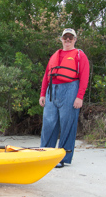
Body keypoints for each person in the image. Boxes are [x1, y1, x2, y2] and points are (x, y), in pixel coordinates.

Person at [39, 28, 90, 168]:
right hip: (52, 91)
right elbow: (46, 75)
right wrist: (43, 94)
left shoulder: (80, 55)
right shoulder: (55, 55)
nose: (68, 40)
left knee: (68, 123)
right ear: (61, 39)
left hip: (70, 89)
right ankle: (45, 154)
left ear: (75, 39)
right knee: (49, 123)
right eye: (65, 37)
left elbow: (84, 77)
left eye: (70, 37)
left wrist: (79, 97)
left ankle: (62, 157)